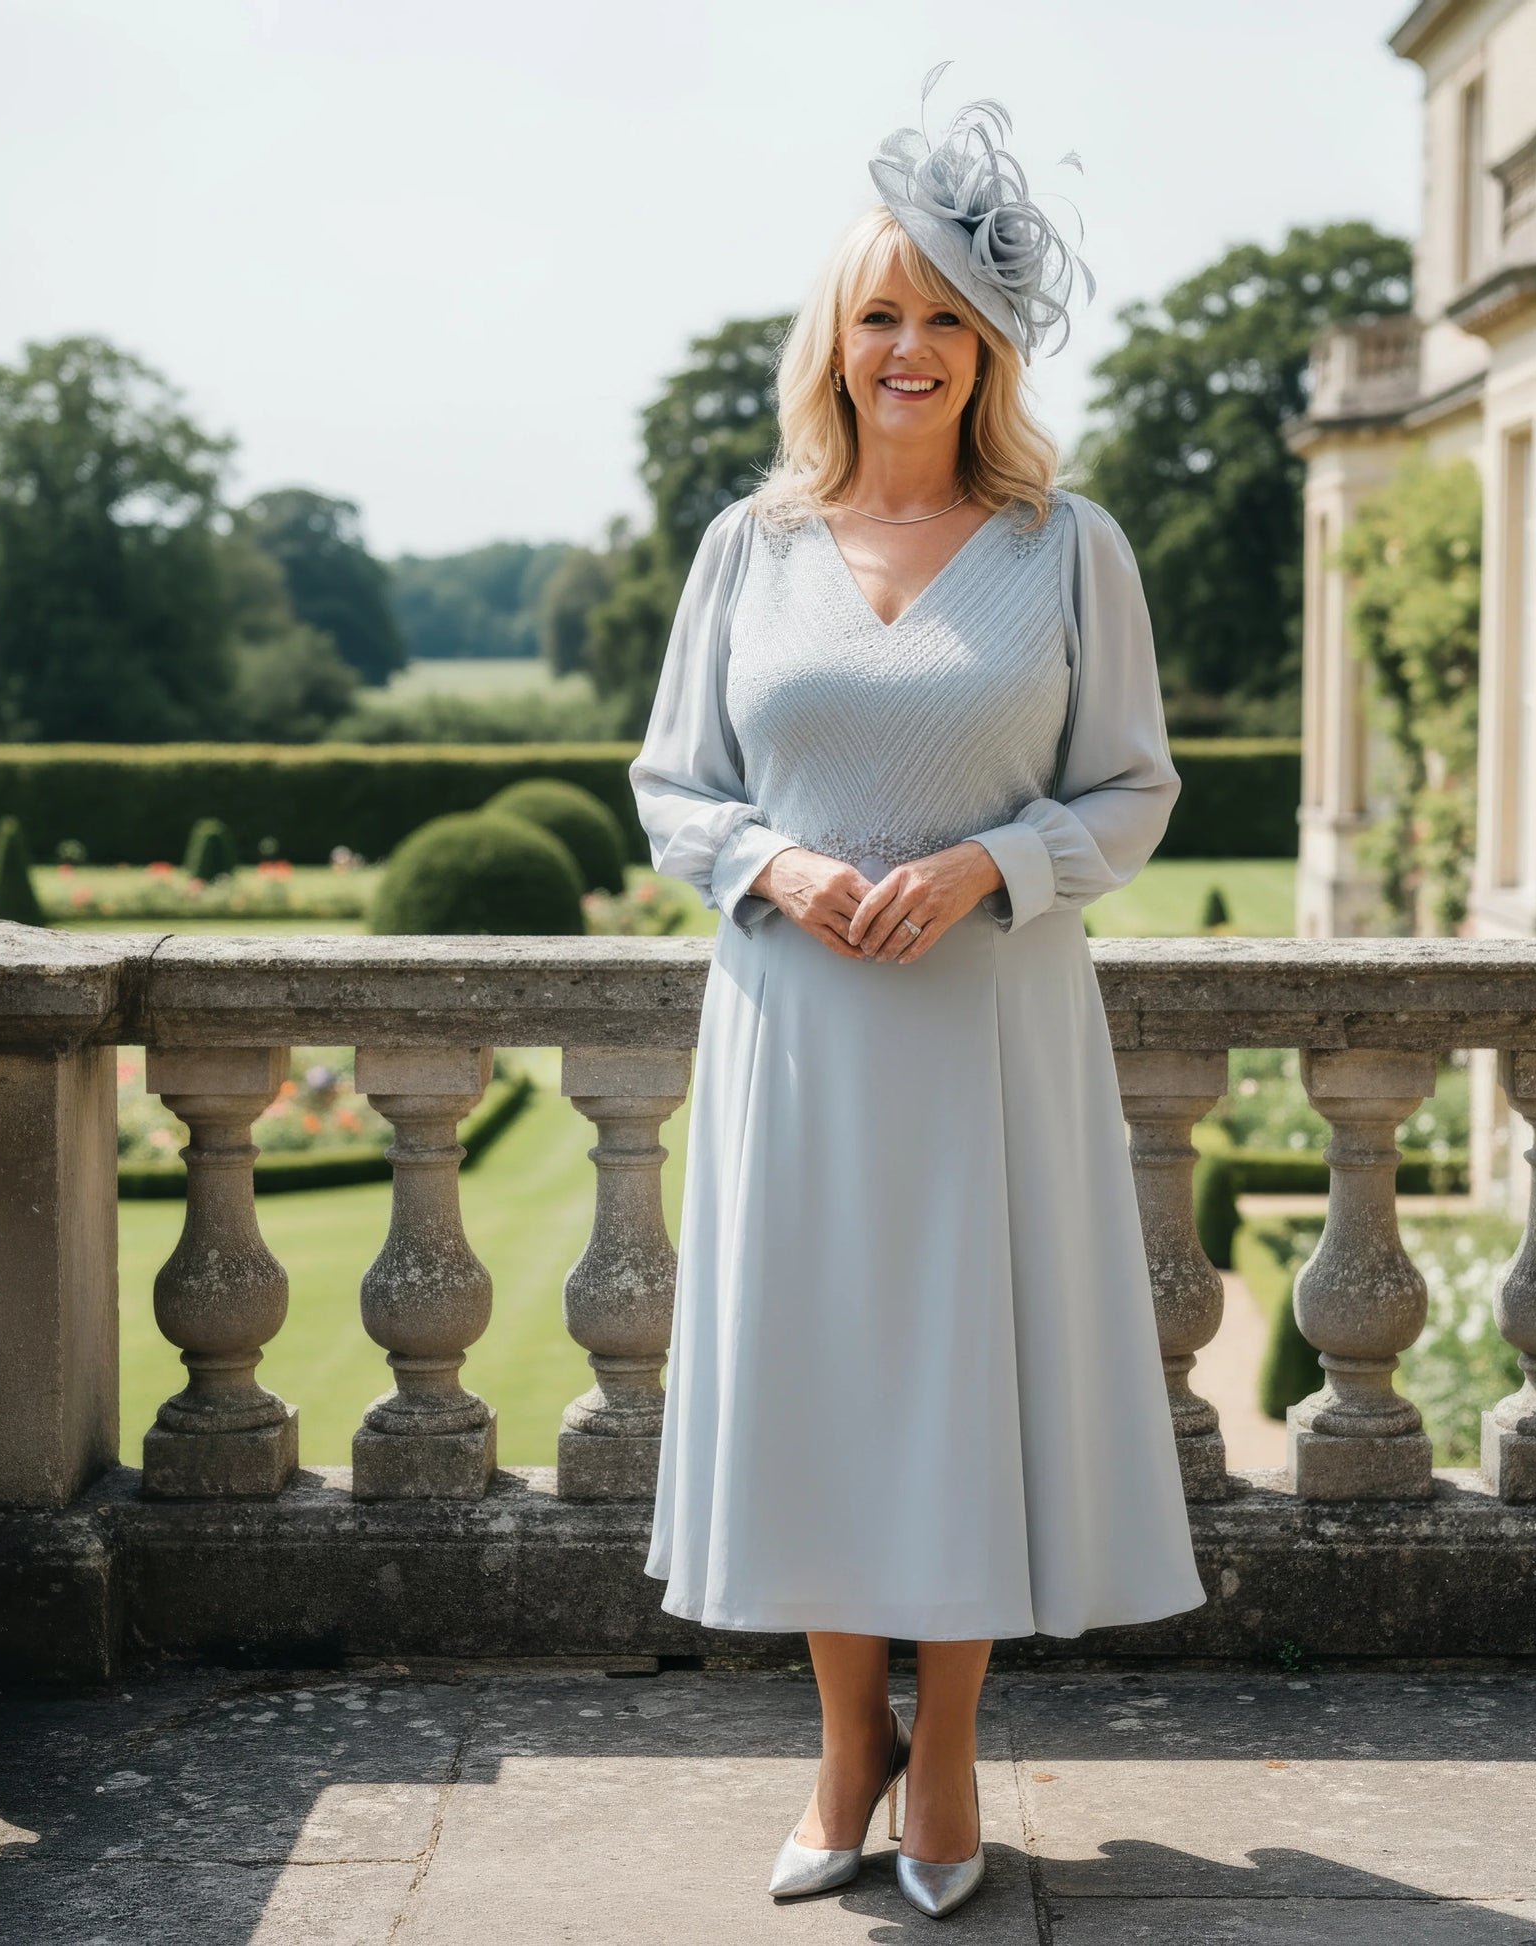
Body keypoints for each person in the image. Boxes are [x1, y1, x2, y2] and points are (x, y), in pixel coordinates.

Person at [628, 74, 1206, 1920]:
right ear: (835, 340)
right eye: (881, 313)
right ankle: (840, 1744)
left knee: (962, 1383)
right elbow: (674, 786)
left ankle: (943, 1748)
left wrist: (987, 866)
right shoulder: (748, 545)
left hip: (987, 1034)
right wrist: (774, 866)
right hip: (796, 1032)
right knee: (816, 1377)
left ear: (989, 347)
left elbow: (1133, 788)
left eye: (947, 317)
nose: (910, 348)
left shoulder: (1068, 545)